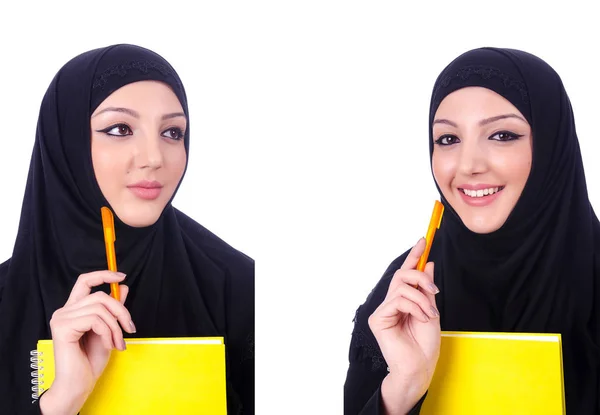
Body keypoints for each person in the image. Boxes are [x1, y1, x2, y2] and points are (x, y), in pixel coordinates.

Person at [0, 44, 254, 414]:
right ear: (65, 143)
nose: (154, 158)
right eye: (120, 129)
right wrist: (63, 399)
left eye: (171, 132)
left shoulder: (238, 289)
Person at [343, 47, 600, 414]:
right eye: (448, 140)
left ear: (550, 145)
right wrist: (402, 388)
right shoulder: (405, 293)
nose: (468, 166)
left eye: (502, 135)